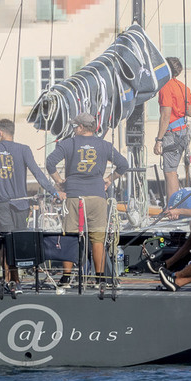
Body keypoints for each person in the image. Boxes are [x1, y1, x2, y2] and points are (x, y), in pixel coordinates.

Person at [0, 119, 62, 289]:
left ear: (0, 133)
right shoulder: (24, 149)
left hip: (1, 205)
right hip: (21, 205)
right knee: (14, 241)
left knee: (6, 241)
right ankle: (14, 280)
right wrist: (54, 192)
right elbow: (38, 173)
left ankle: (11, 279)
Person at [44, 112, 128, 280]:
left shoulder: (68, 143)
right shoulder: (104, 145)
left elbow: (50, 162)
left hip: (74, 196)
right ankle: (100, 278)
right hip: (97, 196)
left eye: (75, 126)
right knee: (97, 238)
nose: (74, 129)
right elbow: (123, 165)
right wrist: (109, 180)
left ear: (81, 127)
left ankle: (66, 277)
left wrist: (59, 181)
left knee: (69, 236)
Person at [153, 57, 191, 198]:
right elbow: (190, 112)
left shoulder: (166, 87)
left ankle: (172, 207)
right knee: (173, 170)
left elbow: (165, 115)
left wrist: (159, 140)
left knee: (170, 172)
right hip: (183, 132)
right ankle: (174, 205)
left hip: (172, 133)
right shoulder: (184, 87)